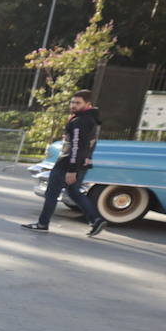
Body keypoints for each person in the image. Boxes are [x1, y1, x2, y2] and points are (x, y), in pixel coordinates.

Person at [22, 89, 107, 236]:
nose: (73, 105)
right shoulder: (90, 119)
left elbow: (76, 146)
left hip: (67, 164)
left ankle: (42, 223)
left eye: (77, 103)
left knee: (51, 193)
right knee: (74, 192)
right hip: (81, 163)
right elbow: (89, 144)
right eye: (72, 102)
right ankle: (96, 219)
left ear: (88, 104)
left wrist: (72, 169)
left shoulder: (80, 121)